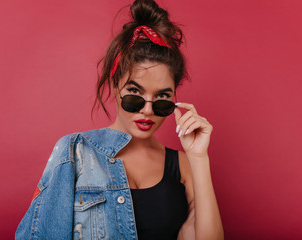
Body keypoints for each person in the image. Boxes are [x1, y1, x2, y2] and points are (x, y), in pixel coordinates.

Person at [15, 0, 224, 239]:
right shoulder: (74, 152)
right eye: (135, 93)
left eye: (162, 97)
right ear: (116, 87)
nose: (147, 110)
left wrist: (199, 157)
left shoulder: (183, 165)